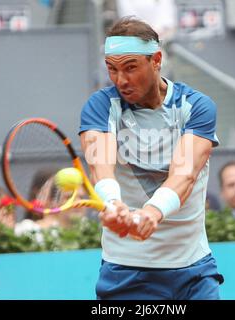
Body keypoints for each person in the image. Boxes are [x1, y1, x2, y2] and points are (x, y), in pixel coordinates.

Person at [79, 17, 223, 300]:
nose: (121, 80)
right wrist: (112, 203)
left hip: (193, 271)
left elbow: (185, 174)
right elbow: (100, 166)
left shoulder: (195, 106)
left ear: (156, 60)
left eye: (131, 68)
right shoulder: (101, 106)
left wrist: (152, 213)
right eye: (112, 69)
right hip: (127, 273)